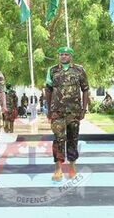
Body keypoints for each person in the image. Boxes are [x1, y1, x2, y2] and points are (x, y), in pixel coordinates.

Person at [45, 47, 89, 181]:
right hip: (57, 112)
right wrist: (49, 109)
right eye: (61, 54)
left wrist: (83, 109)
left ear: (71, 56)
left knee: (73, 138)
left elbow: (85, 90)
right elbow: (48, 90)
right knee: (58, 139)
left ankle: (72, 166)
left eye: (66, 54)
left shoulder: (79, 70)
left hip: (74, 111)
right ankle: (58, 169)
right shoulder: (52, 70)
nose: (63, 56)